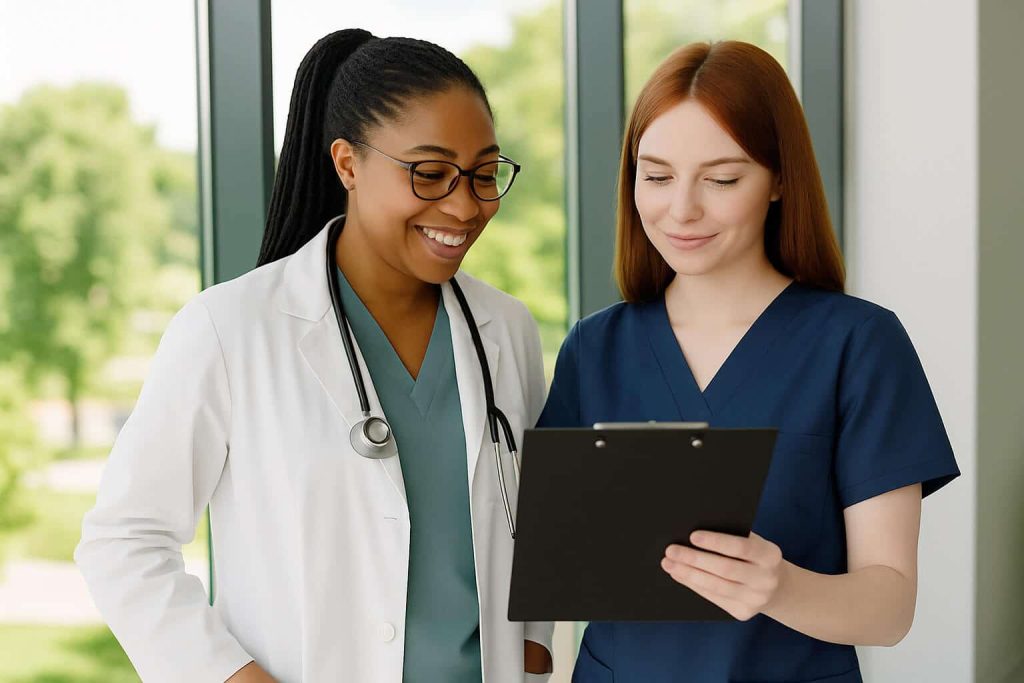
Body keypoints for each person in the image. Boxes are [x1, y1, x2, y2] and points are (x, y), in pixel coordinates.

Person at [76, 28, 553, 683]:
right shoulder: (230, 328)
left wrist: (534, 652)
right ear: (348, 164)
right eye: (431, 172)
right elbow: (123, 541)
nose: (466, 205)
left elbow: (532, 525)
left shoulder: (505, 328)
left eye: (483, 173)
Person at [537, 41, 959, 683]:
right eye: (655, 176)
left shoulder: (859, 344)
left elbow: (890, 607)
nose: (682, 209)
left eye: (723, 179)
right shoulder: (593, 351)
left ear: (780, 179)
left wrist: (779, 586)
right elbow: (558, 566)